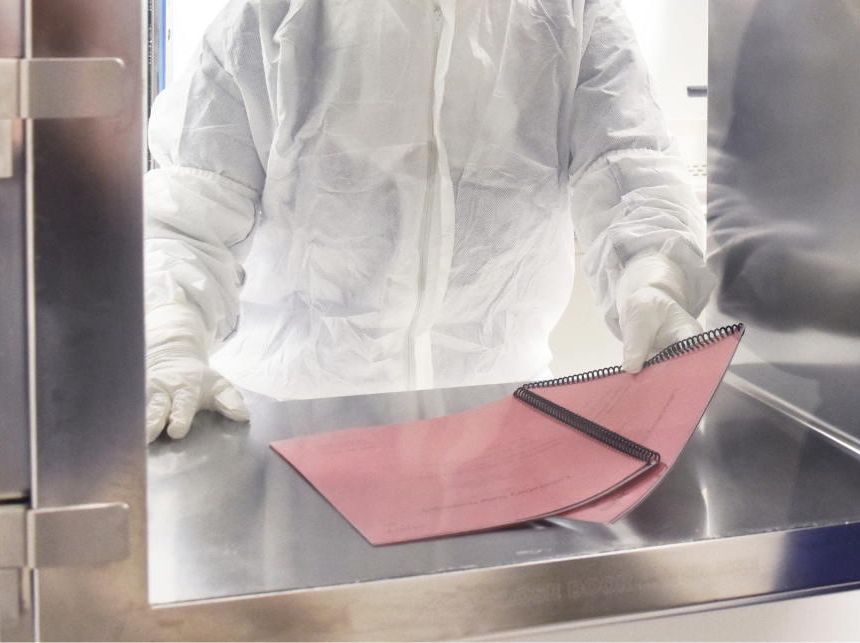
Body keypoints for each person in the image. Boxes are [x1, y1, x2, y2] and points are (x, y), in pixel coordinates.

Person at [144, 0, 714, 443]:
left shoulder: (567, 12)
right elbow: (192, 207)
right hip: (289, 432)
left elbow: (627, 169)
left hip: (499, 435)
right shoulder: (276, 14)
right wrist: (171, 332)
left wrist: (655, 277)